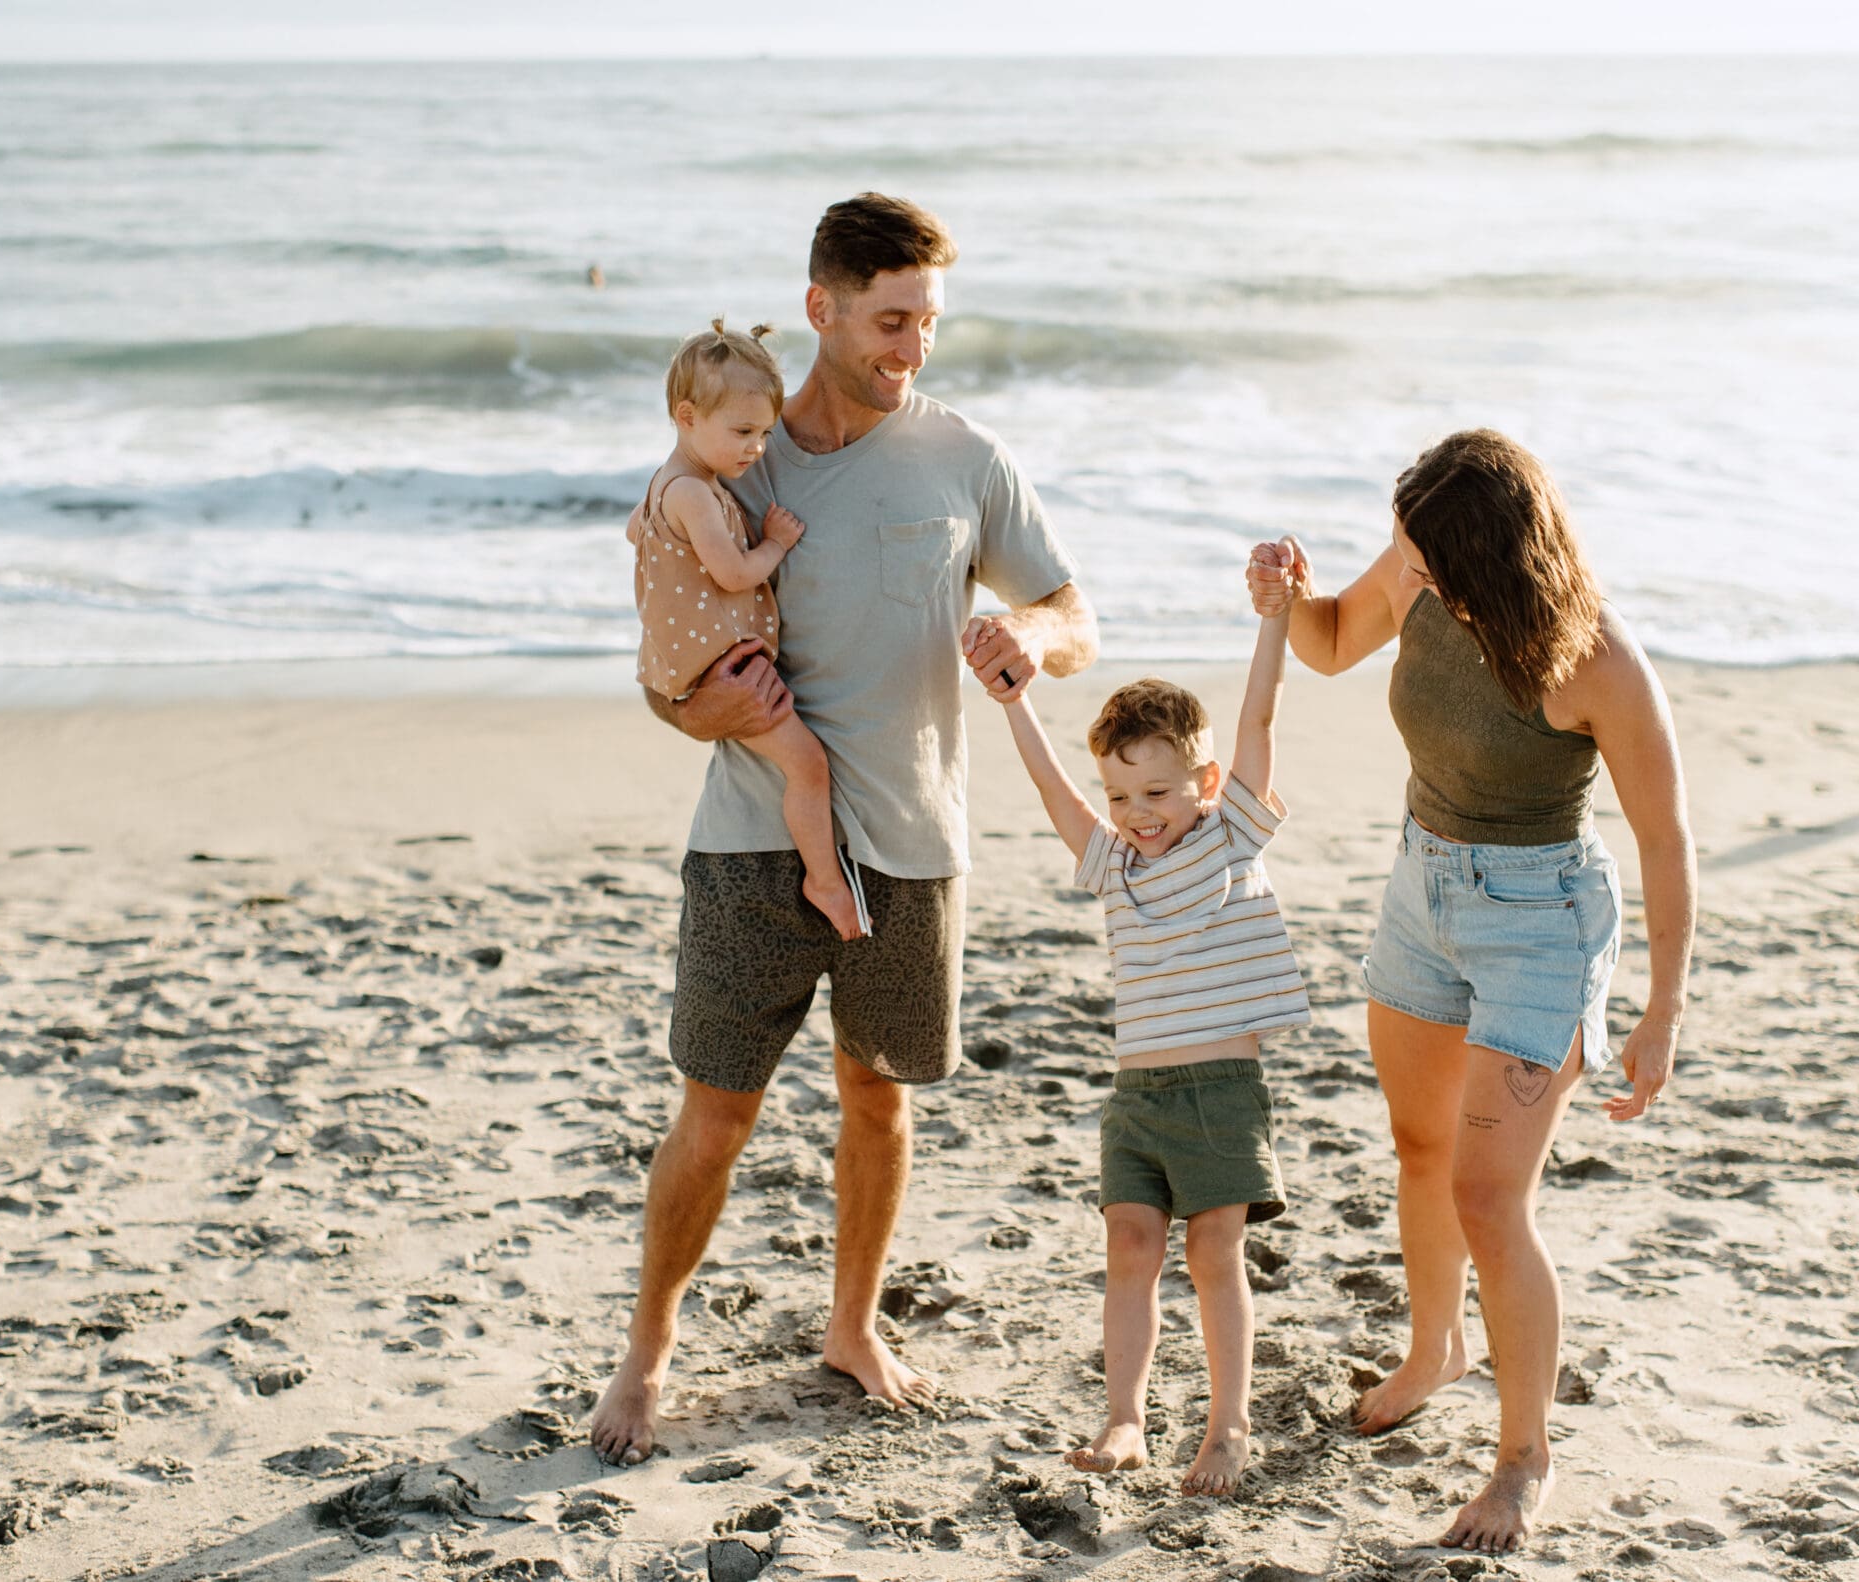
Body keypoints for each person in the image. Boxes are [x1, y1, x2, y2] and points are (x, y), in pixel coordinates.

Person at [586, 193, 1098, 1465]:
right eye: (888, 320)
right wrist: (699, 705)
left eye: (927, 321)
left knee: (877, 1099)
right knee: (714, 1114)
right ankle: (645, 1352)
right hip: (751, 842)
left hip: (915, 842)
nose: (911, 347)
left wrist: (1024, 637)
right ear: (821, 308)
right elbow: (669, 658)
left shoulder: (966, 456)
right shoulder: (737, 457)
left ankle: (852, 1327)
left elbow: (1073, 613)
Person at [1246, 428, 1695, 1554]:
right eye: (1407, 548)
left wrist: (1661, 1008)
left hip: (1541, 923)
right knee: (1418, 1148)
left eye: (1429, 556)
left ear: (1489, 556)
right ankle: (1434, 1347)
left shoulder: (1596, 660)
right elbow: (1334, 640)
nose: (1411, 570)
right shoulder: (1416, 566)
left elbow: (1664, 838)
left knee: (1492, 1197)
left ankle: (1523, 1456)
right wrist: (1284, 595)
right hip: (1422, 886)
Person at [993, 606, 1309, 1497]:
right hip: (1137, 1100)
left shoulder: (1229, 835)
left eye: (1158, 794)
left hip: (1219, 1092)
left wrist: (1274, 619)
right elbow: (1058, 793)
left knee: (1214, 1253)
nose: (1137, 814)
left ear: (1203, 784)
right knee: (1130, 1247)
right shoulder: (1112, 864)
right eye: (1122, 796)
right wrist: (1015, 701)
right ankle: (1125, 1419)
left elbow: (1258, 719)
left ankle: (1228, 1427)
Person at [625, 319, 862, 940]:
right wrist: (775, 544)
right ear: (686, 416)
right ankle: (823, 878)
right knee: (808, 765)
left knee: (801, 763)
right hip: (723, 668)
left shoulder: (667, 484)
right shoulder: (696, 495)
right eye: (742, 432)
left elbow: (634, 532)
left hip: (696, 659)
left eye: (762, 433)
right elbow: (732, 575)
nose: (755, 449)